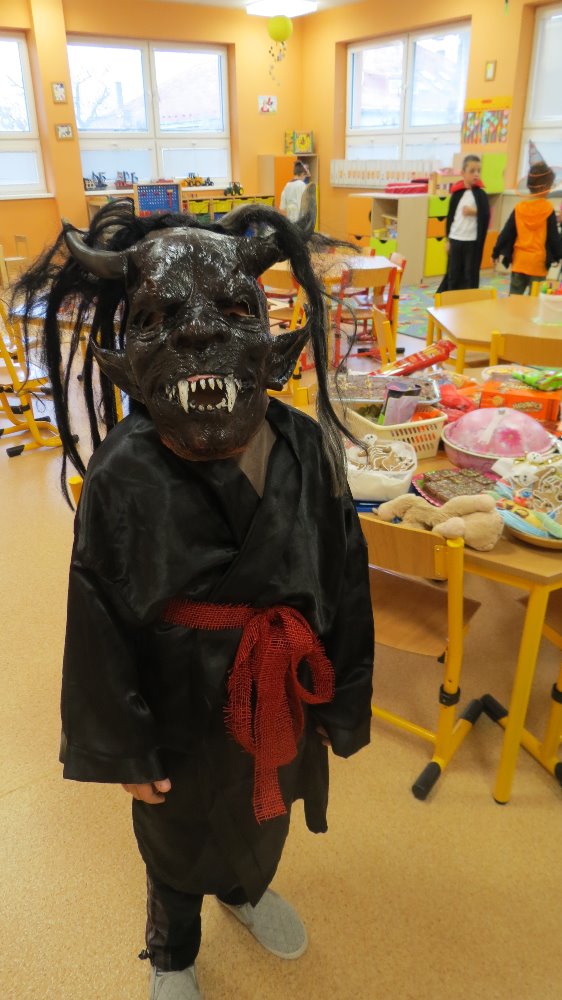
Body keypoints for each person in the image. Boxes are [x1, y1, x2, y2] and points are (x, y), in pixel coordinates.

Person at [14, 192, 374, 1000]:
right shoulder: (123, 471)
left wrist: (344, 700)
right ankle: (172, 950)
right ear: (126, 353)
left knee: (266, 807)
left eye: (234, 311)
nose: (200, 334)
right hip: (173, 697)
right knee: (175, 836)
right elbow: (98, 618)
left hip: (277, 687)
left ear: (273, 342)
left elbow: (345, 577)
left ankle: (246, 891)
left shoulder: (305, 448)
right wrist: (124, 750)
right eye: (161, 317)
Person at [492, 160, 562, 294]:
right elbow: (553, 237)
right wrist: (558, 256)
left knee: (514, 300)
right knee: (534, 302)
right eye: (550, 185)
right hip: (538, 265)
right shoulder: (548, 209)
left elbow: (506, 233)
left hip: (520, 263)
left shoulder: (519, 208)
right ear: (544, 187)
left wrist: (495, 252)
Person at [437, 154, 490, 292]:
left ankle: (468, 301)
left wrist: (475, 212)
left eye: (478, 171)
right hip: (455, 239)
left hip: (472, 241)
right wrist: (448, 240)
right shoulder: (457, 194)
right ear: (463, 173)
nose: (476, 174)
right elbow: (450, 218)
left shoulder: (481, 195)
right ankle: (451, 300)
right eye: (472, 171)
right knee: (453, 274)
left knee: (469, 275)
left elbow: (486, 214)